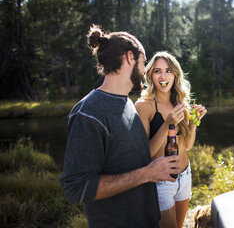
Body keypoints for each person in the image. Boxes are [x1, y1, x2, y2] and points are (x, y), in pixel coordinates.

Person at [60, 25, 181, 228]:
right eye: (143, 63)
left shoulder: (127, 104)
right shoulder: (88, 113)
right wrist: (147, 174)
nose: (145, 72)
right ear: (129, 58)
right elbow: (76, 187)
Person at [135, 51, 207, 228]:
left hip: (185, 176)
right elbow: (146, 154)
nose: (163, 76)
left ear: (175, 74)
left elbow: (187, 146)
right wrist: (167, 124)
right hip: (162, 181)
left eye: (168, 70)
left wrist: (193, 122)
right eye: (157, 71)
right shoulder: (143, 106)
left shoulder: (180, 103)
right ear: (150, 75)